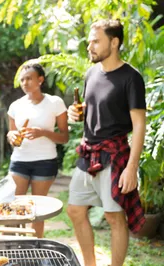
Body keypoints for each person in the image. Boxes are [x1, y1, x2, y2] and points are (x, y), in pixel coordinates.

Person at [67, 19, 146, 266]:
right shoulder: (91, 73)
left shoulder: (131, 78)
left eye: (96, 41)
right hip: (87, 152)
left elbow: (139, 124)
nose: (90, 46)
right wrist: (76, 114)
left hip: (114, 155)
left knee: (114, 217)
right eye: (89, 41)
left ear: (114, 42)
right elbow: (93, 110)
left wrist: (131, 168)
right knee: (75, 210)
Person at [6, 61, 69, 238]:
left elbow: (64, 137)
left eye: (29, 79)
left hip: (45, 162)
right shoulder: (15, 106)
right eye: (22, 79)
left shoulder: (55, 103)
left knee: (36, 210)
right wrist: (12, 137)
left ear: (40, 80)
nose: (25, 83)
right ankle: (14, 248)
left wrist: (43, 132)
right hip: (19, 161)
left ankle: (34, 250)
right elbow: (12, 135)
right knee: (14, 206)